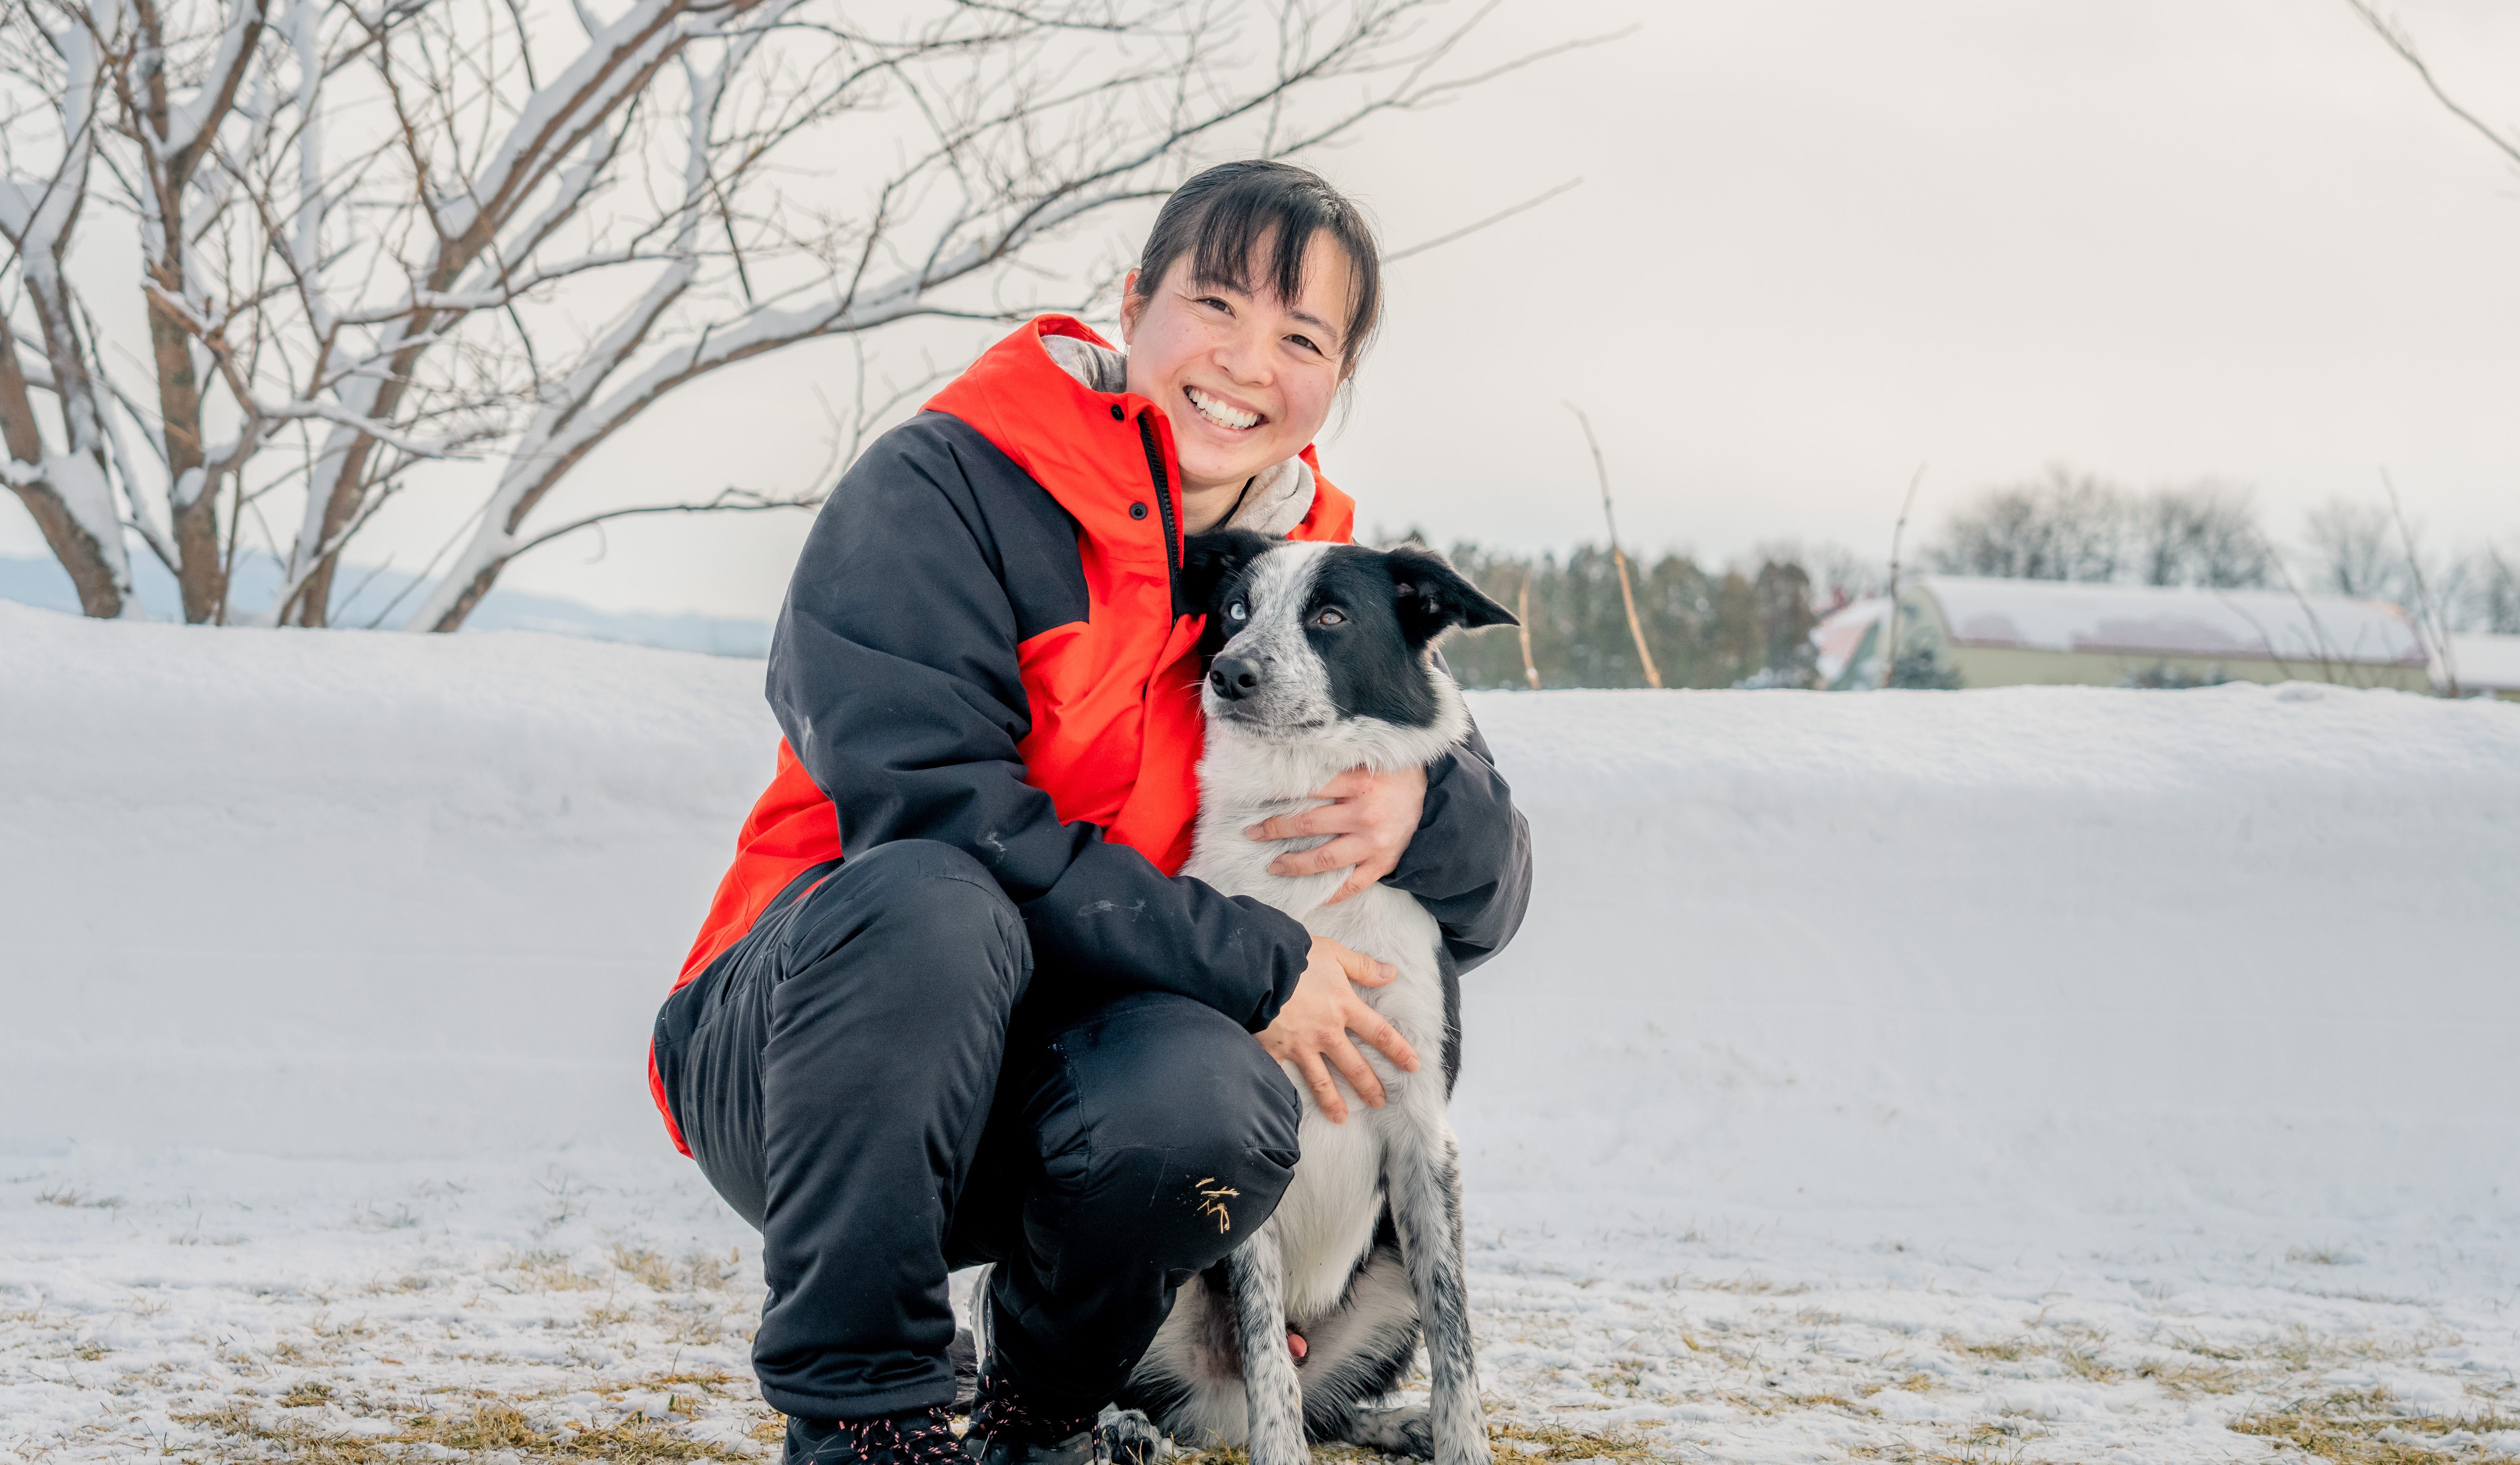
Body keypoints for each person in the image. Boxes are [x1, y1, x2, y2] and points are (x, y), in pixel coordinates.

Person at [646, 160, 1532, 1465]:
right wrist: (1255, 960)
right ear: (1134, 304)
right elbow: (936, 809)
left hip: (1057, 1089)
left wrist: (1423, 807)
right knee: (931, 903)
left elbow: (1494, 887)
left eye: (1301, 337)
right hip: (808, 1048)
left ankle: (1041, 1414)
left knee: (1211, 1093)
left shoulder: (1311, 584)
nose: (1246, 361)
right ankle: (867, 1418)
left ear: (1334, 381)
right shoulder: (945, 487)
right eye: (1216, 305)